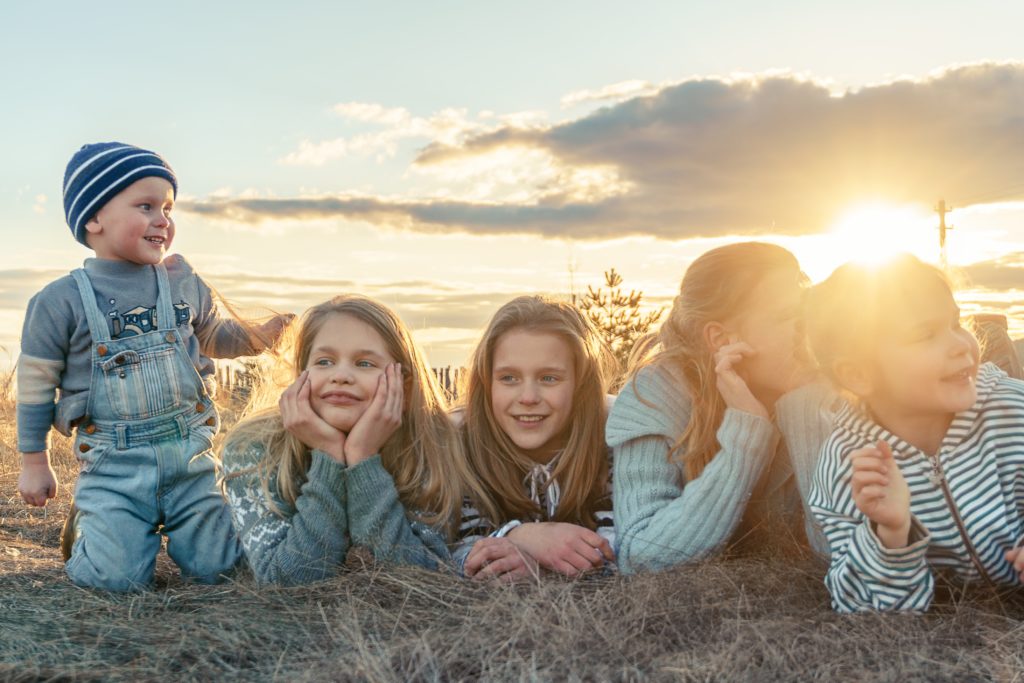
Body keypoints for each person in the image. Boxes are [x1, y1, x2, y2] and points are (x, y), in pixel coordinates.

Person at [16, 142, 291, 591]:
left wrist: (259, 336)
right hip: (114, 468)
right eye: (145, 206)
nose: (163, 219)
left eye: (167, 207)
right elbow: (35, 385)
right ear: (94, 219)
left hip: (189, 458)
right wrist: (34, 460)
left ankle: (186, 534)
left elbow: (210, 336)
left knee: (220, 569)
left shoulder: (181, 281)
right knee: (116, 581)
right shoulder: (60, 301)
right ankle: (95, 526)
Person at [806, 255, 1024, 613]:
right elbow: (860, 606)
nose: (960, 344)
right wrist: (889, 533)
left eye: (956, 322)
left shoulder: (1011, 409)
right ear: (859, 375)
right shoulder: (852, 467)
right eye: (926, 334)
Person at [220, 295, 486, 584]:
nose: (341, 375)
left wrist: (362, 458)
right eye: (324, 361)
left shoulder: (431, 448)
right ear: (301, 375)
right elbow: (286, 579)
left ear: (404, 386)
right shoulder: (253, 448)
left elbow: (417, 573)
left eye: (364, 363)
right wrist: (329, 455)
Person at [607, 242, 834, 574]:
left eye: (807, 313)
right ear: (721, 338)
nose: (808, 331)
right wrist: (746, 436)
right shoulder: (655, 397)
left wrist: (806, 406)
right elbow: (641, 555)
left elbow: (844, 554)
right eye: (788, 316)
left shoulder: (827, 391)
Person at [455, 296, 617, 581]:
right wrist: (521, 536)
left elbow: (624, 547)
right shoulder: (461, 447)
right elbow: (460, 549)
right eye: (509, 378)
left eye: (549, 378)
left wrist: (544, 562)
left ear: (580, 385)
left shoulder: (614, 441)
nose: (528, 397)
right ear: (486, 382)